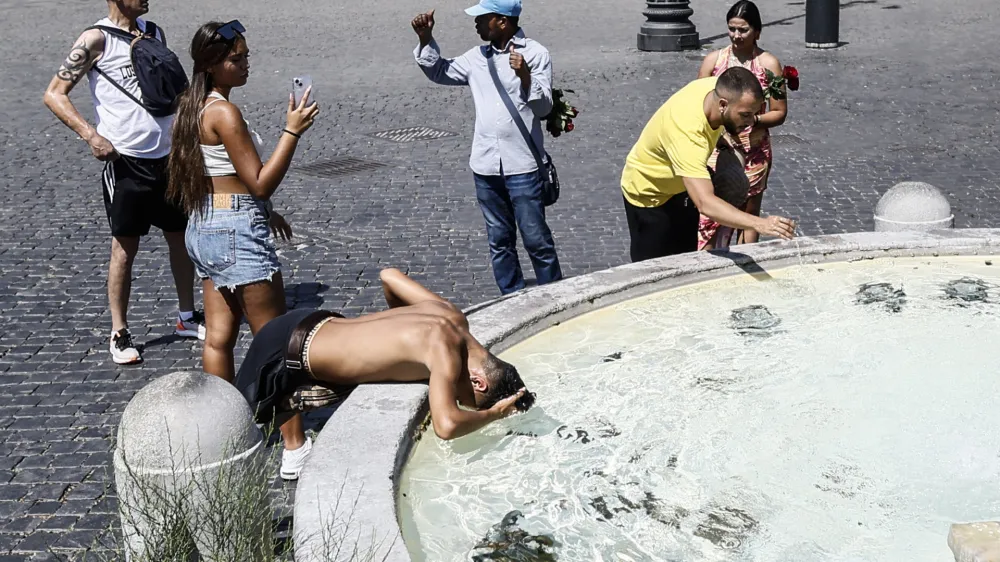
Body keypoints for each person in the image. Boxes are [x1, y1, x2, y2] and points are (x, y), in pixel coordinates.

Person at [165, 21, 319, 479]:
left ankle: (224, 433)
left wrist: (264, 211)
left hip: (205, 223)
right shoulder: (225, 115)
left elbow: (215, 175)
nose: (246, 63)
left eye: (247, 55)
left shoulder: (192, 106)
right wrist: (291, 132)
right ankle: (294, 447)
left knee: (218, 337)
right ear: (212, 65)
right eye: (237, 58)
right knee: (274, 341)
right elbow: (260, 179)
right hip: (235, 229)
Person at [42, 0, 205, 365]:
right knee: (124, 248)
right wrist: (91, 136)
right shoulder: (95, 40)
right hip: (126, 162)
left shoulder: (153, 32)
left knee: (180, 237)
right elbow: (54, 93)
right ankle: (119, 331)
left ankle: (186, 316)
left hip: (169, 158)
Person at [235, 268, 533, 453]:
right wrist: (493, 414)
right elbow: (446, 425)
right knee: (224, 438)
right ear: (478, 382)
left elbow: (389, 276)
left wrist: (398, 334)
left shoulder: (452, 316)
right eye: (465, 398)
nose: (455, 395)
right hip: (283, 354)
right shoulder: (444, 351)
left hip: (311, 322)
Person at [412, 0, 563, 295]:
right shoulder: (475, 57)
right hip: (485, 166)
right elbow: (440, 71)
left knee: (536, 240)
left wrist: (525, 76)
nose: (476, 23)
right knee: (499, 240)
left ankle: (555, 298)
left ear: (503, 21)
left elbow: (544, 108)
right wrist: (425, 39)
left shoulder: (536, 53)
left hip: (523, 166)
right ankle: (511, 298)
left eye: (482, 18)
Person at [619, 67, 796, 262]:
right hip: (649, 196)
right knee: (653, 271)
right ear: (722, 105)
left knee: (685, 260)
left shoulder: (716, 88)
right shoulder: (687, 133)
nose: (750, 123)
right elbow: (705, 203)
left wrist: (722, 140)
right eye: (745, 115)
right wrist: (760, 224)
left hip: (680, 188)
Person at [697, 0, 788, 250]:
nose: (736, 36)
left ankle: (746, 260)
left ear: (757, 31)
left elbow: (779, 113)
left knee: (749, 214)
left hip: (754, 151)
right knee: (710, 214)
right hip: (718, 149)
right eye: (732, 29)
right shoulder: (713, 62)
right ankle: (705, 264)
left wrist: (751, 119)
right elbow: (697, 105)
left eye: (743, 30)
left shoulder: (769, 64)